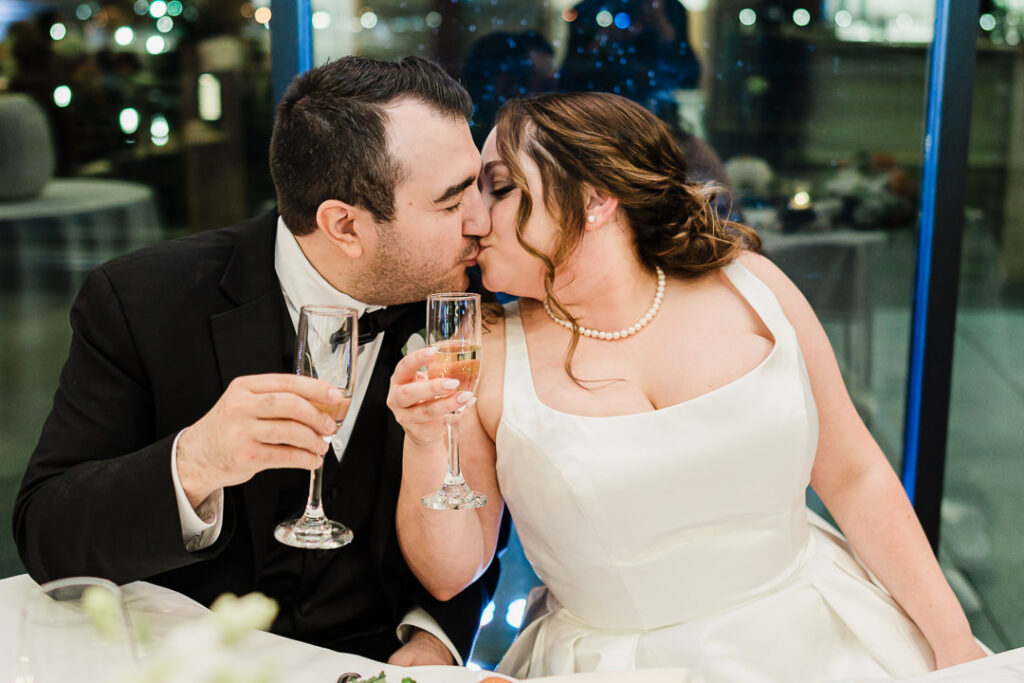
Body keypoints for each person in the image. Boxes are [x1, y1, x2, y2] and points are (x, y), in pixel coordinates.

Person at [386, 91, 988, 680]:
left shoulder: (753, 288)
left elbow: (856, 476)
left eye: (500, 186)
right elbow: (451, 572)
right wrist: (425, 441)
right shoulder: (480, 352)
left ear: (595, 199)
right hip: (610, 664)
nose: (476, 218)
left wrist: (954, 644)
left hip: (821, 631)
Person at [13, 56, 499, 666]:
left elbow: (480, 507)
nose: (482, 220)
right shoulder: (142, 303)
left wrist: (436, 636)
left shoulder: (466, 310)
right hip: (188, 665)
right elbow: (46, 534)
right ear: (343, 224)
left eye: (480, 185)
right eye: (453, 201)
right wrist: (195, 462)